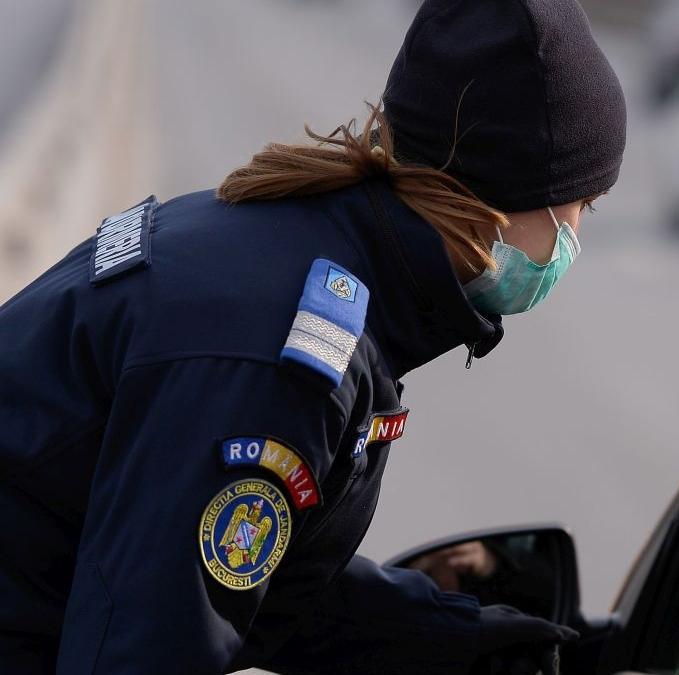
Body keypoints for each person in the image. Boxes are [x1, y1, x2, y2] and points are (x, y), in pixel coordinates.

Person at [0, 0, 626, 672]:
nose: (576, 236)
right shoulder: (276, 355)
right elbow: (148, 647)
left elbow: (259, 586)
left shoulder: (295, 242)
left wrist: (470, 640)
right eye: (580, 206)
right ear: (505, 194)